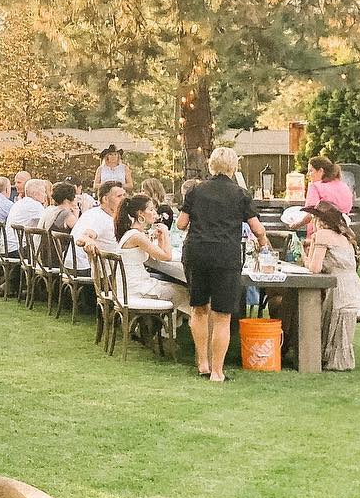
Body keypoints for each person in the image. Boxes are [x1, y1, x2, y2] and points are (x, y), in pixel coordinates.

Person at [176, 147, 269, 383]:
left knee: (199, 308)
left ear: (211, 165)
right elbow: (257, 228)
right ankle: (217, 371)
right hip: (226, 255)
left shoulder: (196, 190)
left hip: (197, 252)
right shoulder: (240, 194)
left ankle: (202, 363)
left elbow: (181, 224)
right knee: (222, 315)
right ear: (233, 167)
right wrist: (263, 242)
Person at [301, 201, 360, 370]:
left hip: (340, 290)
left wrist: (302, 252)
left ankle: (325, 357)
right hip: (353, 288)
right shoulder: (343, 236)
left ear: (320, 220)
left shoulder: (322, 235)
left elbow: (314, 268)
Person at [113, 195, 183, 304]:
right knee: (184, 293)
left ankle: (164, 320)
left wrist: (161, 239)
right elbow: (167, 257)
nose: (155, 212)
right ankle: (168, 320)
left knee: (176, 287)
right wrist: (166, 233)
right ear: (141, 213)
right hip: (135, 290)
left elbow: (157, 256)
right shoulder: (137, 236)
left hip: (135, 285)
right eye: (151, 209)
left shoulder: (135, 233)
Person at [73, 180, 125, 269]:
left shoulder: (96, 212)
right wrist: (89, 242)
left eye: (124, 195)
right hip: (84, 268)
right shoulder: (99, 218)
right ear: (105, 199)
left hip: (74, 265)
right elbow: (84, 237)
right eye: (119, 196)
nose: (123, 199)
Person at [304, 156, 355, 222]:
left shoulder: (315, 186)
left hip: (320, 229)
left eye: (311, 171)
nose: (308, 174)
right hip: (341, 228)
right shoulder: (344, 186)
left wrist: (297, 224)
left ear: (320, 171)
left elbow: (310, 212)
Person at [5, 178, 49, 251]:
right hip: (18, 249)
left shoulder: (19, 203)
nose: (45, 195)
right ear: (36, 193)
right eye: (44, 192)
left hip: (8, 247)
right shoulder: (35, 205)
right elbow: (48, 223)